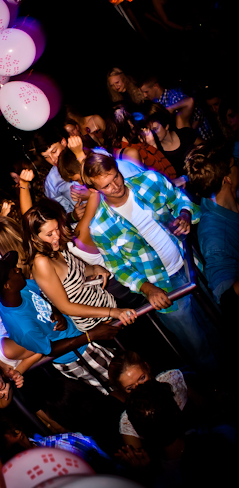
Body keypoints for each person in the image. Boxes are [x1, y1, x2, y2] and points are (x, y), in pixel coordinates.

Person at [82, 152, 220, 373]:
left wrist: (185, 214)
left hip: (190, 265)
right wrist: (147, 289)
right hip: (162, 289)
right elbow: (119, 268)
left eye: (116, 177)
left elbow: (180, 199)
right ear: (95, 190)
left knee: (218, 321)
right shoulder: (100, 227)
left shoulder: (149, 181)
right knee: (199, 347)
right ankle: (220, 385)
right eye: (106, 186)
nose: (116, 186)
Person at [0, 250, 121, 394]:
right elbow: (50, 350)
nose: (18, 269)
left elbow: (42, 293)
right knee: (118, 383)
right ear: (7, 286)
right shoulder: (22, 327)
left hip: (81, 332)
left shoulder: (19, 289)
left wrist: (55, 311)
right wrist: (89, 336)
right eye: (13, 271)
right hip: (76, 356)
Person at [22, 197, 138, 332]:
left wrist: (94, 268)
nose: (57, 236)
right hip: (100, 324)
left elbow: (74, 274)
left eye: (57, 229)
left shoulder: (54, 249)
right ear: (34, 238)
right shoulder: (41, 263)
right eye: (49, 234)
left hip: (110, 305)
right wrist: (112, 312)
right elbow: (65, 307)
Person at [185, 144, 239, 317]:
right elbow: (226, 298)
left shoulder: (226, 196)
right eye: (235, 163)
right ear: (227, 179)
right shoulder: (214, 236)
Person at [108, 350, 188, 448]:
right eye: (130, 388)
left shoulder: (174, 380)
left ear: (147, 367)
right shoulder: (128, 422)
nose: (140, 388)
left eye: (142, 378)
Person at [30, 123, 86, 222]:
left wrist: (91, 194)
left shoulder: (87, 154)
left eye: (54, 151)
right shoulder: (52, 181)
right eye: (46, 157)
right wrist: (73, 216)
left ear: (63, 142)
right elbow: (60, 216)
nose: (53, 159)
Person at [139, 72, 212, 141]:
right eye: (143, 92)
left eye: (146, 91)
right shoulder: (158, 102)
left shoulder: (173, 96)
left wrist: (186, 135)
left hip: (202, 136)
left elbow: (198, 113)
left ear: (156, 86)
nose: (145, 95)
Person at [143, 103, 201, 177]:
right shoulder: (158, 151)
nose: (153, 134)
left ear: (166, 126)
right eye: (150, 131)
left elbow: (208, 148)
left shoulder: (185, 134)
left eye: (155, 129)